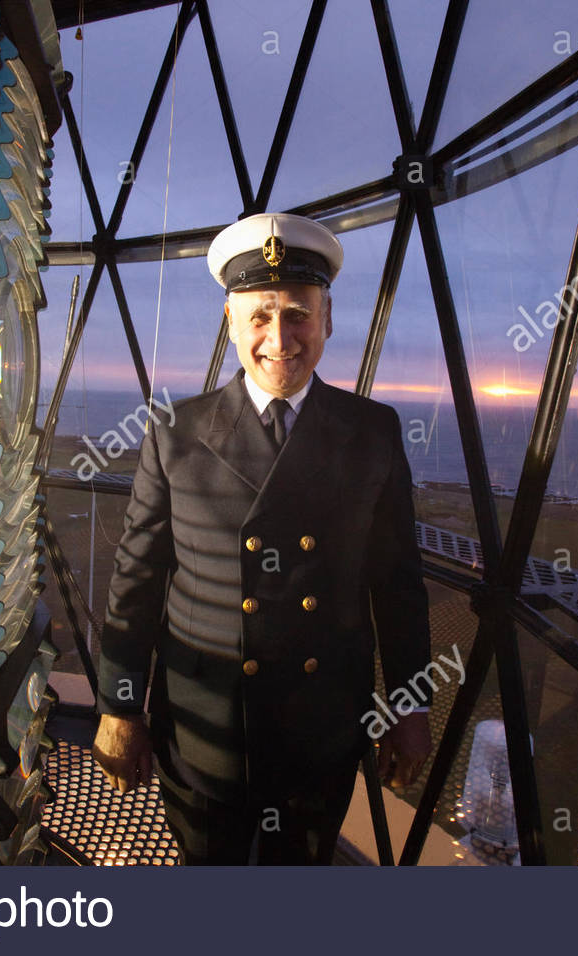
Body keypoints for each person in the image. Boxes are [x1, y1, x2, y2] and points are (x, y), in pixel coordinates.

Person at [92, 212, 432, 864]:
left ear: (328, 319)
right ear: (230, 322)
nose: (280, 338)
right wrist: (119, 707)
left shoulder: (372, 433)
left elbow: (398, 585)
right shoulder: (176, 434)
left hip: (322, 725)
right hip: (203, 726)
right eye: (260, 316)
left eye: (299, 314)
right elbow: (135, 579)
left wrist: (411, 707)